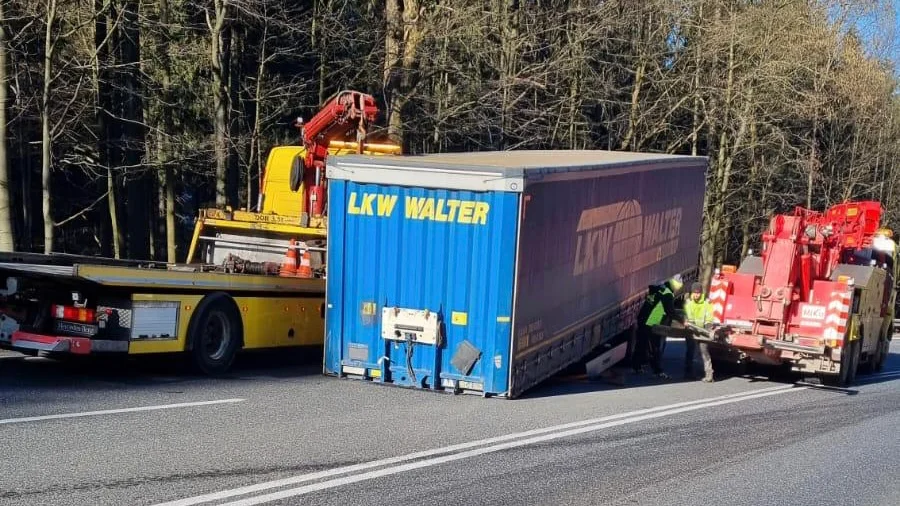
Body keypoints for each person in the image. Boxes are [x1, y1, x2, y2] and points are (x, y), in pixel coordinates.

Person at [633, 274, 685, 379]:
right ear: (676, 285)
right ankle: (658, 371)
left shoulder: (660, 288)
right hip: (652, 322)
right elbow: (670, 312)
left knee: (641, 344)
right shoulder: (667, 294)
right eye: (679, 286)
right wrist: (683, 321)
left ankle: (637, 366)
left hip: (642, 318)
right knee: (655, 348)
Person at [684, 281, 715, 382]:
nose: (696, 295)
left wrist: (707, 330)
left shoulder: (707, 303)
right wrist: (690, 326)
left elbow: (709, 319)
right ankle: (688, 373)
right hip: (692, 329)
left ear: (701, 293)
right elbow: (689, 317)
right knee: (690, 350)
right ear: (691, 293)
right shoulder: (689, 303)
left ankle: (709, 374)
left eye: (698, 293)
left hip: (704, 330)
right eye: (694, 292)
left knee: (704, 351)